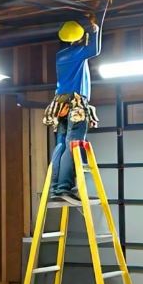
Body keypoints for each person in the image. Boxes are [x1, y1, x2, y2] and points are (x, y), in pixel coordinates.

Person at [43, 11, 101, 205]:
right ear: (77, 39)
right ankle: (64, 187)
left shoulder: (62, 55)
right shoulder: (77, 54)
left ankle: (56, 187)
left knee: (61, 144)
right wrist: (94, 28)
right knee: (72, 144)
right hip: (75, 105)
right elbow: (94, 49)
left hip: (60, 105)